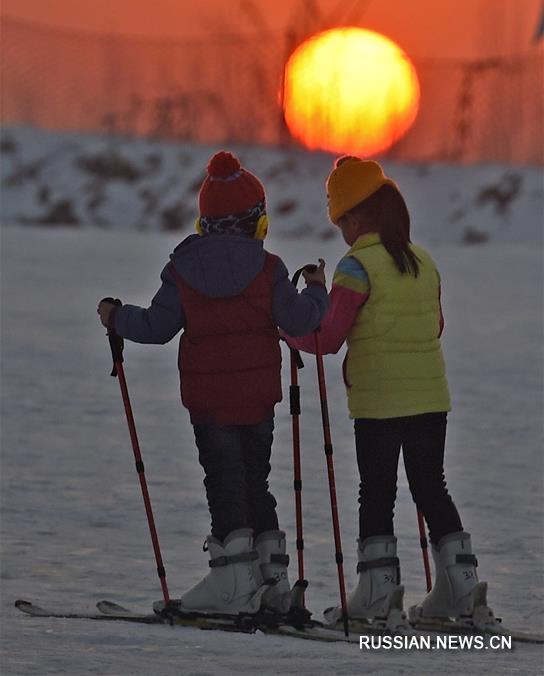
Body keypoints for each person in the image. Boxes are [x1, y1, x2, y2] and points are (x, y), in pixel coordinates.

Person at [97, 150, 327, 617]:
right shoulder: (269, 270)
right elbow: (301, 319)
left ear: (206, 223)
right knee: (255, 483)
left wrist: (116, 317)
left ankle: (233, 583)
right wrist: (318, 289)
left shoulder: (184, 270)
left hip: (209, 403)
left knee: (223, 484)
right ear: (255, 222)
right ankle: (272, 579)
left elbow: (157, 328)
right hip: (259, 400)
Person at [285, 155, 492, 627]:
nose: (341, 231)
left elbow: (328, 338)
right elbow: (434, 326)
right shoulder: (425, 261)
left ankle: (378, 593)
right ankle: (463, 590)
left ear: (356, 218)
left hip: (378, 401)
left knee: (376, 492)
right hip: (430, 397)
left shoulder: (356, 266)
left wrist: (289, 328)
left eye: (341, 222)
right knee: (430, 487)